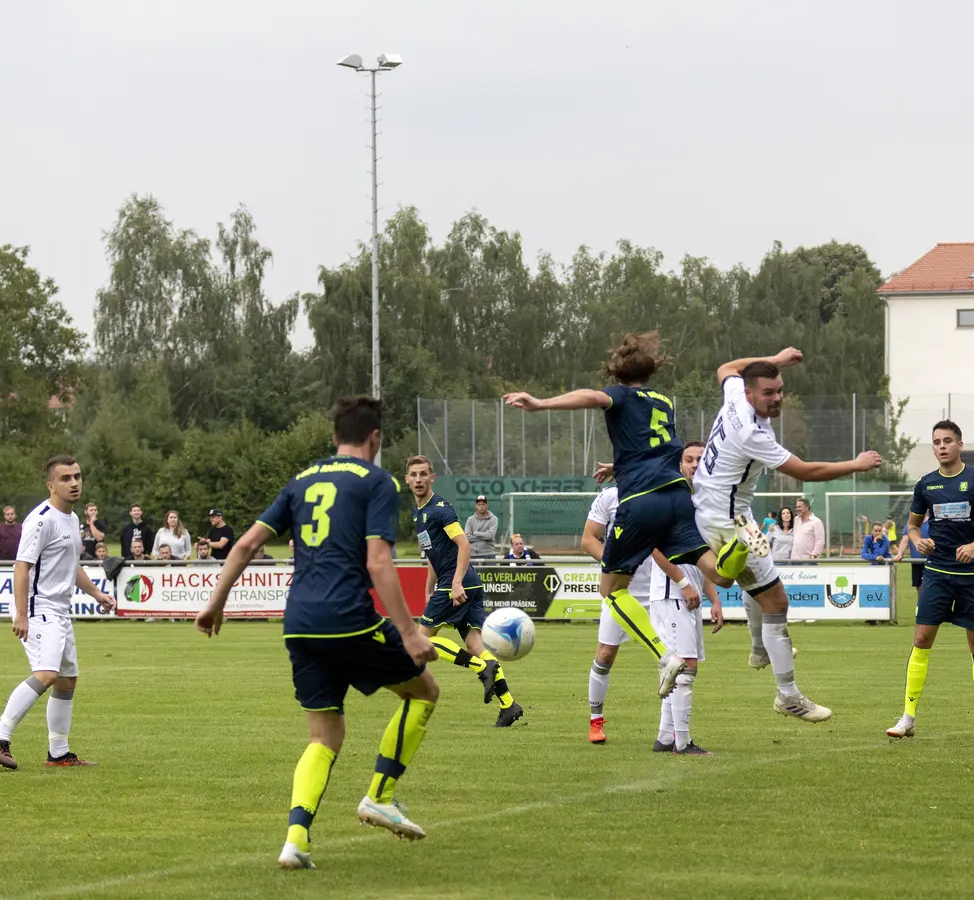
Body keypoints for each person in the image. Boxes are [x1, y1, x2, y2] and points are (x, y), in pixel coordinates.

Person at [194, 396, 441, 869]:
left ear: (333, 438)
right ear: (375, 438)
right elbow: (378, 560)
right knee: (424, 691)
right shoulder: (377, 482)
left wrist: (214, 604)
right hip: (348, 618)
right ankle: (379, 796)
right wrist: (409, 633)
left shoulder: (301, 481)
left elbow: (246, 543)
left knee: (323, 736)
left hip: (299, 625)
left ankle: (295, 841)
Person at [504, 331, 724, 701]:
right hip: (676, 495)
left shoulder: (620, 394)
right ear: (650, 372)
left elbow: (592, 397)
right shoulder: (663, 401)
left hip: (643, 501)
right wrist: (620, 465)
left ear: (617, 375)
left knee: (611, 590)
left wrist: (540, 403)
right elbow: (656, 450)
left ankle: (664, 656)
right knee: (716, 570)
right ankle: (738, 554)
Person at [692, 347, 881, 723]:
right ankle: (787, 695)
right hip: (722, 521)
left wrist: (775, 360)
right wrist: (856, 465)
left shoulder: (735, 392)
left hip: (735, 515)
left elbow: (726, 367)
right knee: (776, 602)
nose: (777, 398)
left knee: (763, 586)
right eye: (768, 393)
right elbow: (807, 472)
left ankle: (760, 649)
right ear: (750, 394)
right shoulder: (749, 431)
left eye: (779, 390)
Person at [0, 455, 116, 771]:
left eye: (78, 476)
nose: (74, 483)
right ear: (50, 484)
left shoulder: (71, 519)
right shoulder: (41, 519)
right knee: (48, 674)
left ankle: (58, 753)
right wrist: (20, 614)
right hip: (39, 609)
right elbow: (21, 566)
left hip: (60, 611)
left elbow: (71, 565)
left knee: (67, 680)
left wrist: (96, 593)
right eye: (66, 478)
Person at [584, 446, 719, 750]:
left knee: (675, 663)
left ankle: (667, 736)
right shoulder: (610, 497)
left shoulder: (664, 495)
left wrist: (711, 594)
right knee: (606, 655)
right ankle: (596, 720)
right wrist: (616, 563)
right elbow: (587, 539)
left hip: (660, 584)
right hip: (625, 588)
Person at [886, 421, 974, 743]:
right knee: (921, 639)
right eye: (937, 442)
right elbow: (912, 528)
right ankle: (908, 717)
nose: (942, 446)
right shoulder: (925, 485)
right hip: (937, 574)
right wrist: (917, 540)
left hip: (973, 576)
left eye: (947, 441)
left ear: (959, 445)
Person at [404, 455, 521, 727]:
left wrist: (455, 582)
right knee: (474, 644)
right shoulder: (419, 513)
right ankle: (508, 705)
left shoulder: (440, 510)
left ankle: (481, 668)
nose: (419, 479)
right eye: (414, 475)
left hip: (458, 581)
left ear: (433, 477)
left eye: (424, 474)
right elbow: (433, 553)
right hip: (465, 581)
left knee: (419, 642)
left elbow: (464, 545)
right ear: (408, 479)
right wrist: (428, 587)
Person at [648, 441, 719, 755]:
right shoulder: (670, 498)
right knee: (685, 667)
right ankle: (682, 742)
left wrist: (714, 598)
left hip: (688, 594)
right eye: (688, 459)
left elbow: (702, 559)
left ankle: (665, 737)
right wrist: (681, 583)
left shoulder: (701, 504)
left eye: (700, 459)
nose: (694, 464)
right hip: (671, 593)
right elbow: (654, 545)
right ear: (679, 466)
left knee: (680, 668)